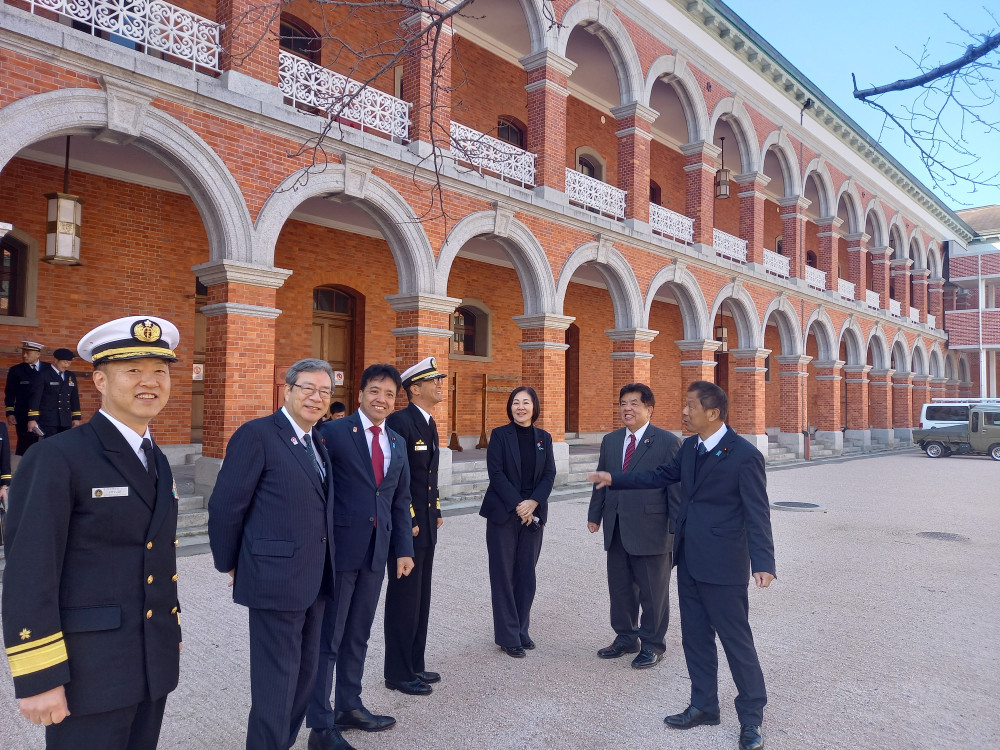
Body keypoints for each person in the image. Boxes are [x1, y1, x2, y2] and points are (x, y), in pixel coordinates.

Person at [2, 316, 182, 750]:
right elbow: (30, 571)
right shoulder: (57, 457)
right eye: (132, 370)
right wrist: (39, 677)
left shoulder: (154, 457)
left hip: (150, 665)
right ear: (100, 379)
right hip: (88, 673)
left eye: (159, 370)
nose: (150, 382)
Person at [589, 381, 775, 750]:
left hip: (723, 566)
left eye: (691, 406)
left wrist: (764, 561)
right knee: (695, 639)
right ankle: (704, 705)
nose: (684, 412)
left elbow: (758, 513)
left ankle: (751, 717)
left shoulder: (744, 455)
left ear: (714, 413)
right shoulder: (689, 448)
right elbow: (659, 477)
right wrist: (615, 478)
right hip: (688, 560)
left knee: (737, 642)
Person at [208, 358, 342, 750]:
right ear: (287, 390)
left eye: (325, 392)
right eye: (308, 388)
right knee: (275, 684)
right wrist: (231, 562)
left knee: (304, 677)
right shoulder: (258, 435)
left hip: (315, 578)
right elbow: (226, 507)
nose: (316, 398)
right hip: (275, 579)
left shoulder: (318, 440)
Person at [307, 364, 415, 749]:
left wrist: (404, 549)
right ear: (360, 394)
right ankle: (320, 723)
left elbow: (399, 502)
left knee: (358, 635)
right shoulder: (332, 433)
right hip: (337, 552)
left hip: (377, 553)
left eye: (389, 394)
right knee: (329, 638)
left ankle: (349, 705)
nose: (381, 399)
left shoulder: (397, 443)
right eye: (374, 391)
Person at [588, 383, 681, 669]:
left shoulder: (667, 442)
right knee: (620, 588)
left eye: (634, 403)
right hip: (616, 527)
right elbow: (601, 481)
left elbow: (676, 491)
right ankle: (626, 637)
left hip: (653, 530)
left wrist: (678, 533)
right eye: (623, 403)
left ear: (649, 409)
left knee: (653, 592)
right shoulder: (611, 441)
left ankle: (653, 644)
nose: (627, 408)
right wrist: (595, 514)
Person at [383, 357, 446, 695]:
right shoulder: (400, 422)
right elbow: (396, 479)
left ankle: (415, 664)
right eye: (434, 380)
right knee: (404, 599)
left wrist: (434, 509)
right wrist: (408, 519)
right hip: (407, 529)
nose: (440, 385)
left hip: (426, 525)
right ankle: (397, 671)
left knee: (421, 597)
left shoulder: (429, 422)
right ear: (415, 388)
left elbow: (428, 476)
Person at [479, 386, 556, 658]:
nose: (520, 407)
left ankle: (522, 629)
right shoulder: (499, 436)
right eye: (515, 403)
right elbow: (496, 474)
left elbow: (549, 475)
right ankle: (507, 635)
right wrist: (519, 505)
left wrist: (532, 503)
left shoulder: (544, 438)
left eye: (525, 402)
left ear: (534, 407)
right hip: (503, 513)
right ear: (510, 407)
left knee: (526, 575)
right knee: (503, 575)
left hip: (533, 515)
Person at [28, 348, 82, 438]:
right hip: (48, 420)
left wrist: (76, 418)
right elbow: (35, 398)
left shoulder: (70, 375)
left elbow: (74, 398)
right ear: (56, 360)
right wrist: (32, 419)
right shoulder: (43, 374)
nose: (67, 365)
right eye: (64, 362)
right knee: (49, 448)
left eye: (69, 363)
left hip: (65, 420)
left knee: (64, 446)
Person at [4, 340, 45, 455]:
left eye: (28, 353)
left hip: (45, 414)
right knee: (24, 446)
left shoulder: (48, 369)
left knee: (44, 445)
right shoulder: (16, 370)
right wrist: (10, 412)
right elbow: (10, 392)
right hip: (23, 414)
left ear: (38, 354)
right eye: (23, 352)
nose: (24, 355)